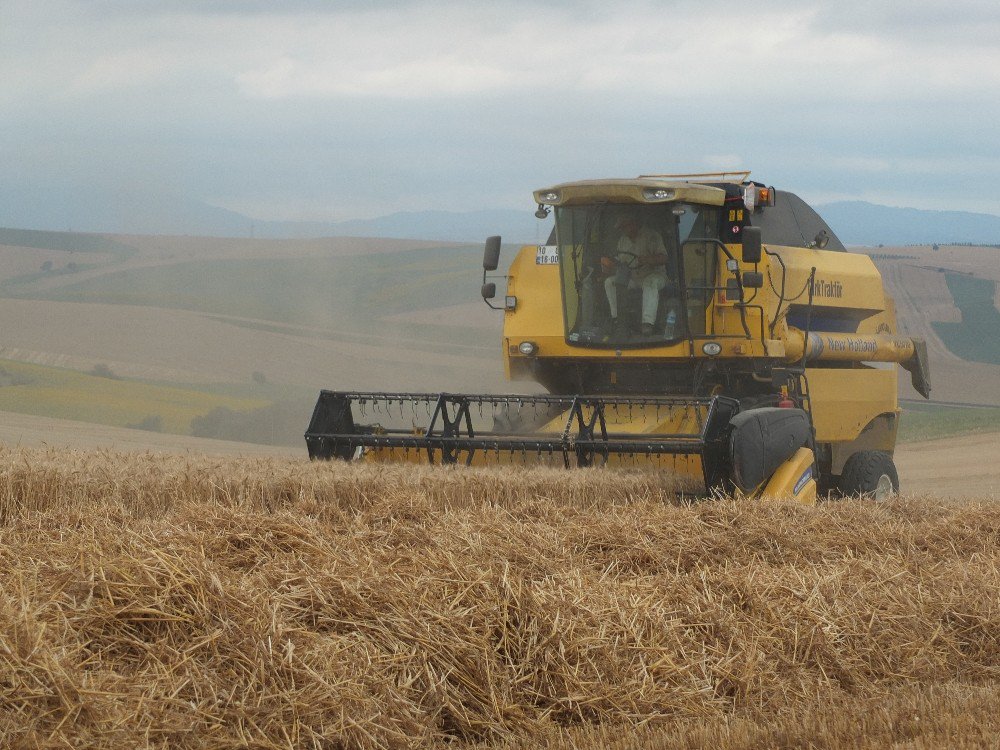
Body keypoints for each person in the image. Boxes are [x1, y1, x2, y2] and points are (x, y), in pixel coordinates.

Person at [603, 212, 672, 337]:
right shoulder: (623, 240)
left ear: (633, 223)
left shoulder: (652, 236)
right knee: (610, 282)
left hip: (655, 275)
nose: (623, 230)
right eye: (621, 228)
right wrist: (610, 266)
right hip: (633, 277)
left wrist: (648, 259)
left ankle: (647, 324)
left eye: (625, 226)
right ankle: (617, 319)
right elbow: (621, 262)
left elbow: (664, 258)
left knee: (649, 283)